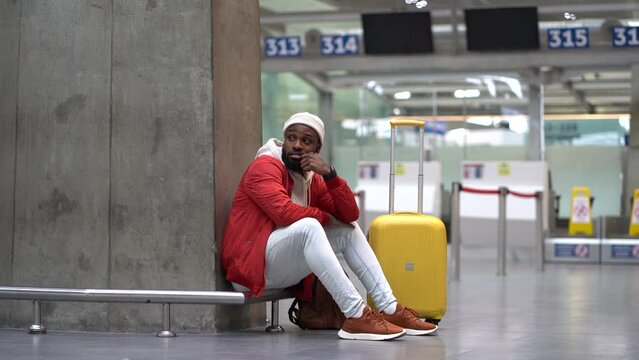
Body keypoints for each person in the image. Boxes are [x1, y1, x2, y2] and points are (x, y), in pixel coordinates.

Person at [221, 112, 437, 341]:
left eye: (306, 141)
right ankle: (355, 314)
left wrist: (330, 175)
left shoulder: (312, 178)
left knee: (348, 229)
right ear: (284, 140)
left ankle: (390, 308)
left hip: (280, 266)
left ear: (316, 149)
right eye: (292, 138)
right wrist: (323, 217)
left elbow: (349, 214)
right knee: (310, 226)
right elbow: (283, 214)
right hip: (250, 267)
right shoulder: (264, 167)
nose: (297, 145)